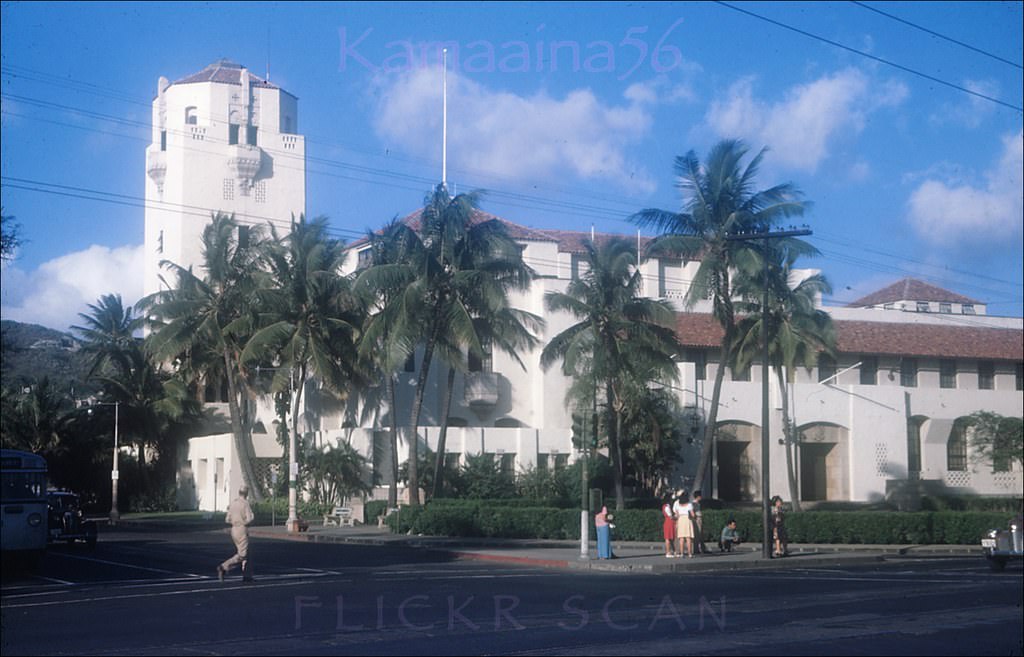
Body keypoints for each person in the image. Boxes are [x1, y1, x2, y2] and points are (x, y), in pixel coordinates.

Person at [218, 485, 255, 582]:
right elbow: (250, 518)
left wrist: (235, 521)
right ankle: (224, 566)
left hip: (233, 529)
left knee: (248, 552)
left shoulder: (233, 503)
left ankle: (247, 575)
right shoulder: (245, 504)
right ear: (246, 494)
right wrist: (244, 522)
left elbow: (227, 519)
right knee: (242, 554)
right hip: (242, 529)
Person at [673, 491, 695, 558]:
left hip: (680, 520)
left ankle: (682, 553)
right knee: (688, 538)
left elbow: (676, 515)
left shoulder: (678, 505)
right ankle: (690, 553)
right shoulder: (689, 504)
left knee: (681, 538)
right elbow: (693, 515)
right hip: (687, 520)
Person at [692, 490, 707, 554]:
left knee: (701, 534)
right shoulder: (694, 503)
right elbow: (693, 512)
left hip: (699, 518)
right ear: (698, 496)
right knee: (698, 534)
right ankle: (696, 549)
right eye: (700, 496)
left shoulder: (697, 503)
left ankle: (702, 548)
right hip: (697, 518)